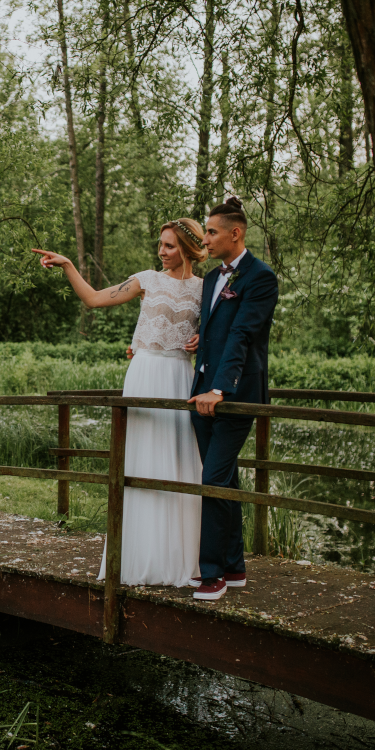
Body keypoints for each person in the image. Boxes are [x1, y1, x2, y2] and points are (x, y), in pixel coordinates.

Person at [31, 220, 206, 586]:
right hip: (145, 374)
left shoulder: (205, 289)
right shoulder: (146, 279)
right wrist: (68, 265)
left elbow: (220, 332)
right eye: (160, 244)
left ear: (188, 250)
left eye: (170, 246)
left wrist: (202, 338)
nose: (161, 251)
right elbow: (94, 299)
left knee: (177, 461)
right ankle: (138, 557)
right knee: (142, 461)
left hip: (180, 378)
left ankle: (179, 560)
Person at [187, 197, 279, 601]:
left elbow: (244, 334)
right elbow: (217, 331)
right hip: (202, 390)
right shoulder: (210, 280)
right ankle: (235, 566)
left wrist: (220, 389)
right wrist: (199, 342)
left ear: (234, 233)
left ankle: (213, 575)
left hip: (235, 393)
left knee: (212, 479)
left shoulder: (261, 278)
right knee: (223, 477)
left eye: (210, 232)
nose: (204, 239)